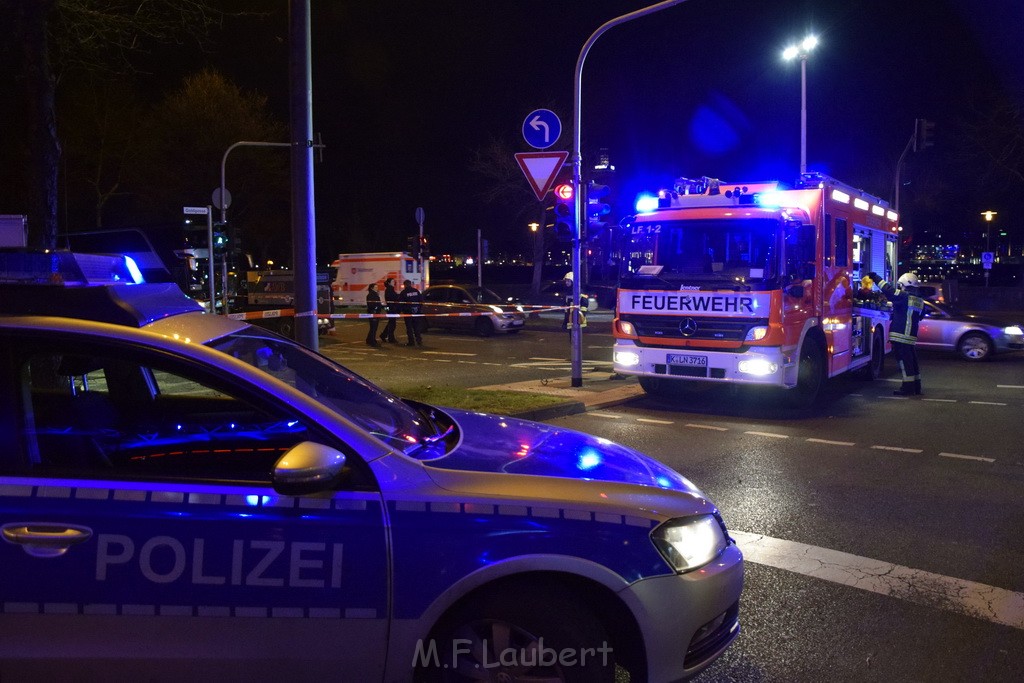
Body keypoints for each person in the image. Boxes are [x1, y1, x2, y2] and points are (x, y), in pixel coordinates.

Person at [869, 270, 925, 396]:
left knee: (904, 362)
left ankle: (907, 388)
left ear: (905, 285)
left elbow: (888, 290)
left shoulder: (903, 296)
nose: (901, 287)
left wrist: (875, 277)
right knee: (912, 361)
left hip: (900, 335)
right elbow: (920, 316)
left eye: (901, 285)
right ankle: (916, 386)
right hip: (911, 336)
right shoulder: (920, 301)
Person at [398, 279, 423, 346]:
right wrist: (418, 309)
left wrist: (402, 310)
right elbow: (421, 301)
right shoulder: (416, 291)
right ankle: (419, 340)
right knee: (416, 327)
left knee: (409, 328)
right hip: (416, 312)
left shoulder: (403, 293)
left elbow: (401, 303)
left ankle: (411, 342)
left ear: (405, 285)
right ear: (410, 284)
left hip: (408, 312)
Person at [380, 277, 398, 343]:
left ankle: (383, 335)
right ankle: (391, 338)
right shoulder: (389, 289)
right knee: (392, 324)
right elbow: (394, 297)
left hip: (390, 308)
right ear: (390, 283)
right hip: (390, 308)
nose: (394, 283)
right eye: (393, 282)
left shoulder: (390, 289)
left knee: (391, 322)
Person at [365, 282, 383, 347]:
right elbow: (372, 304)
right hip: (374, 313)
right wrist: (376, 308)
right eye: (376, 287)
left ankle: (369, 339)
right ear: (372, 288)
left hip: (374, 312)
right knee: (374, 328)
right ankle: (372, 341)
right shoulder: (372, 295)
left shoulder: (373, 294)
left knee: (373, 327)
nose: (377, 288)